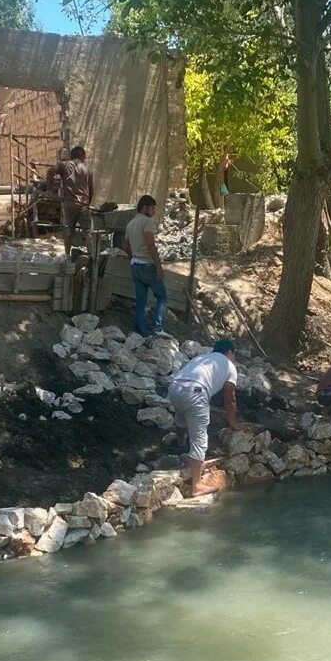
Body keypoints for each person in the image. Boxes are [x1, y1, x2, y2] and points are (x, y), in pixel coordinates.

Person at [168, 339, 246, 496]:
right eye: (234, 354)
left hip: (174, 388)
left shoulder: (201, 358)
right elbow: (230, 399)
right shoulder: (229, 365)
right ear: (229, 352)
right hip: (196, 392)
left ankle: (181, 442)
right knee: (200, 440)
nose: (234, 357)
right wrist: (233, 423)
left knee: (183, 414)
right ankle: (196, 486)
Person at [123, 194, 168, 336]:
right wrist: (159, 267)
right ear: (145, 208)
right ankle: (158, 328)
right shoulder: (147, 222)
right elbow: (151, 245)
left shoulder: (130, 224)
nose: (154, 212)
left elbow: (127, 246)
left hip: (135, 265)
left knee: (141, 299)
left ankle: (141, 330)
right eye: (153, 208)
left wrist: (133, 257)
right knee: (162, 297)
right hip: (147, 265)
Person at [47, 146, 93, 257]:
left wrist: (50, 189)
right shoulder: (88, 170)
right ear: (82, 156)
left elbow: (51, 170)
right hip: (84, 204)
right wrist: (87, 203)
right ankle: (91, 257)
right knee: (88, 233)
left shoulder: (65, 165)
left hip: (70, 204)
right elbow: (91, 190)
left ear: (71, 156)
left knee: (68, 232)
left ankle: (67, 256)